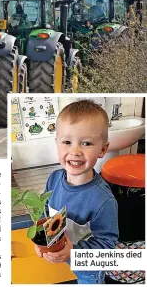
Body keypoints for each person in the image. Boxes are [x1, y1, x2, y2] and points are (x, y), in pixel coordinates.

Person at [35, 100, 118, 284]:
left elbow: (107, 245)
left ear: (102, 149)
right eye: (66, 142)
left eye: (86, 143)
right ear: (56, 143)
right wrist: (41, 239)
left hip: (86, 269)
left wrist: (74, 253)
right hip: (58, 259)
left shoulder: (103, 200)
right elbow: (45, 214)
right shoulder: (53, 179)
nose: (75, 151)